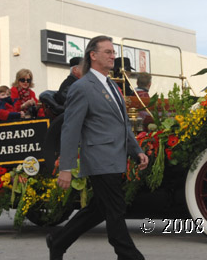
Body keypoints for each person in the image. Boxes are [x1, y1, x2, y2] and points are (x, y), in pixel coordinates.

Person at [46, 36, 149, 260]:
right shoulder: (82, 87)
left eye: (113, 52)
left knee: (98, 210)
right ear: (93, 55)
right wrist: (66, 166)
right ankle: (129, 255)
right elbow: (71, 128)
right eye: (108, 52)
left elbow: (121, 124)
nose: (113, 56)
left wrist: (137, 150)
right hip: (99, 158)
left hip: (115, 157)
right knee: (115, 209)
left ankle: (58, 241)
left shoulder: (111, 84)